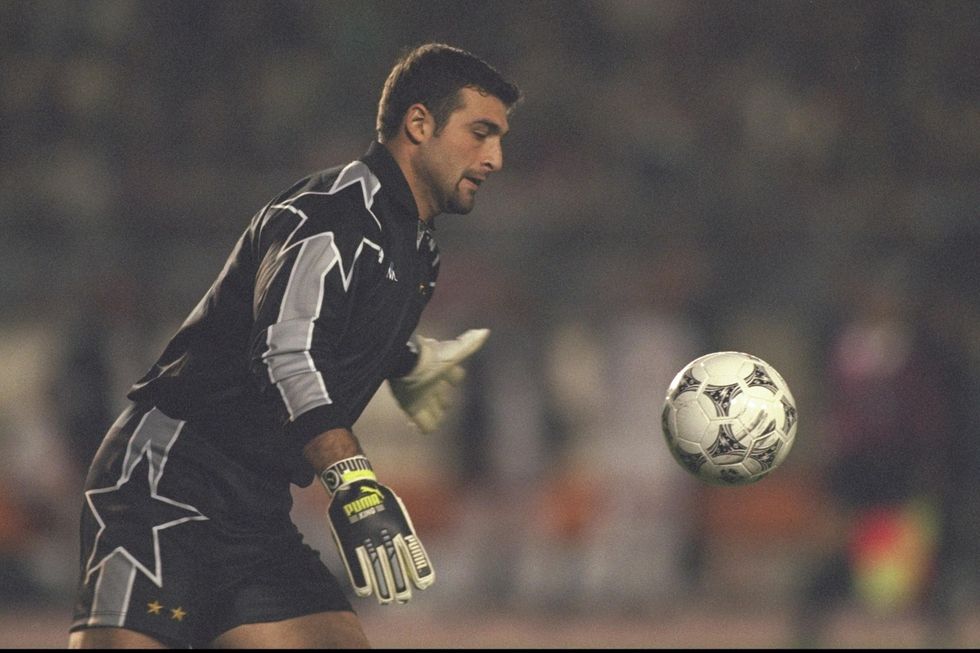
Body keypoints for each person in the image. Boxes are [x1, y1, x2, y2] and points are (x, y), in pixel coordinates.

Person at [68, 43, 522, 649]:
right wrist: (355, 482)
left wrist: (414, 360)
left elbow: (341, 327)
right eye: (481, 133)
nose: (495, 157)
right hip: (168, 479)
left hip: (255, 508)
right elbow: (286, 352)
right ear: (419, 124)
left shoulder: (418, 249)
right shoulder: (328, 217)